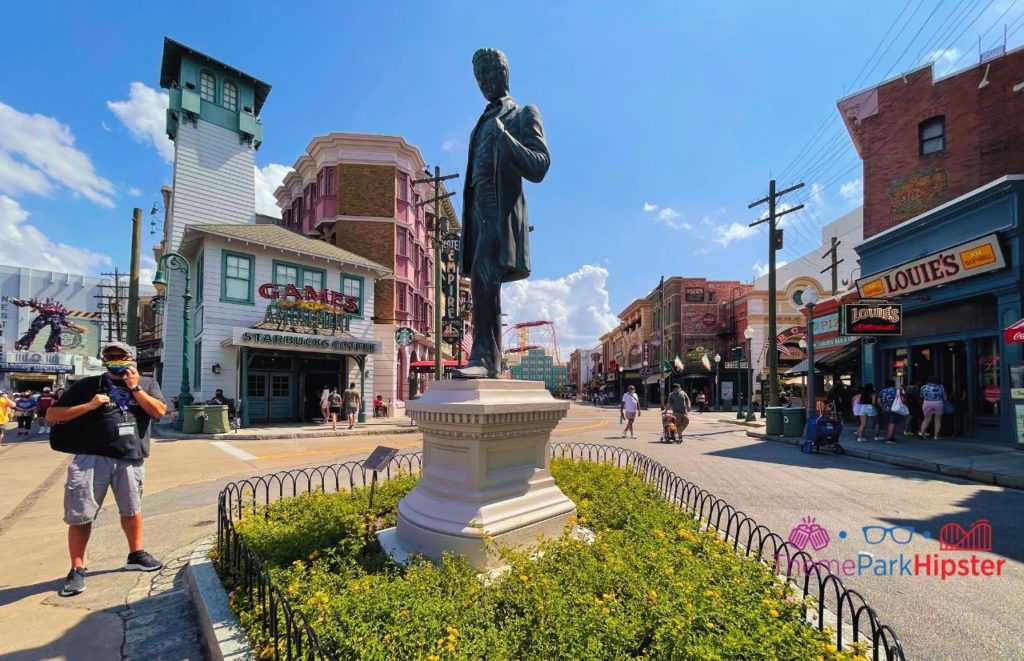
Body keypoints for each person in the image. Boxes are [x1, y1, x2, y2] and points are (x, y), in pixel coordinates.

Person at [452, 48, 550, 379]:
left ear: (503, 75)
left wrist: (506, 138)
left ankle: (484, 358)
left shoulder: (523, 113)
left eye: (489, 75)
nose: (484, 83)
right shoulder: (479, 124)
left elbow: (539, 165)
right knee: (483, 280)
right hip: (477, 215)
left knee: (483, 274)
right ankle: (488, 359)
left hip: (500, 212)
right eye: (479, 78)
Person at [46, 341, 167, 597]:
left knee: (132, 509)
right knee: (81, 514)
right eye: (110, 355)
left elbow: (158, 412)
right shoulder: (88, 385)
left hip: (130, 456)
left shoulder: (146, 383)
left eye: (120, 355)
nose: (115, 359)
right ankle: (77, 568)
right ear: (103, 359)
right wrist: (89, 406)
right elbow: (53, 415)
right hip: (91, 457)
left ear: (131, 358)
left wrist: (135, 389)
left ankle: (136, 553)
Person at [877, 379, 904, 444]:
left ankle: (891, 436)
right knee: (892, 423)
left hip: (885, 409)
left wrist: (883, 407)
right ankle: (889, 438)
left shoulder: (882, 391)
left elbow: (878, 401)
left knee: (889, 423)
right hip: (894, 409)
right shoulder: (897, 390)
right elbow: (902, 399)